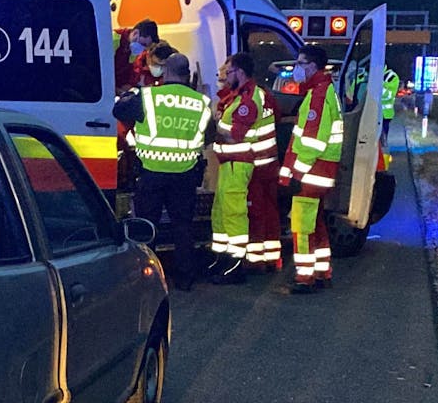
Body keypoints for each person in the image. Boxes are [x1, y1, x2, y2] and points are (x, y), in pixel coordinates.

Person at [114, 52, 213, 291]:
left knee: (148, 227)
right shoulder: (202, 102)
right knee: (183, 227)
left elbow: (119, 112)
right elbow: (209, 137)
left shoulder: (147, 97)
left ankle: (149, 280)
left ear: (166, 71)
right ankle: (184, 279)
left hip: (151, 173)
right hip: (185, 175)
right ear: (186, 74)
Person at [278, 44, 342, 292]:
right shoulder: (323, 91)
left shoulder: (318, 95)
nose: (297, 69)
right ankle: (322, 271)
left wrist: (297, 173)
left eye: (300, 63)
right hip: (320, 172)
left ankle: (305, 278)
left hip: (311, 173)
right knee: (316, 224)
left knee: (302, 227)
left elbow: (313, 141)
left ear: (313, 66)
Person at [210, 52, 278, 281]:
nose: (226, 77)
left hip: (239, 164)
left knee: (235, 214)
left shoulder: (247, 101)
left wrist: (211, 128)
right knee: (220, 213)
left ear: (240, 72)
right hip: (228, 165)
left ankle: (236, 265)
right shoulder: (236, 97)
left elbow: (236, 136)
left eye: (229, 72)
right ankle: (222, 258)